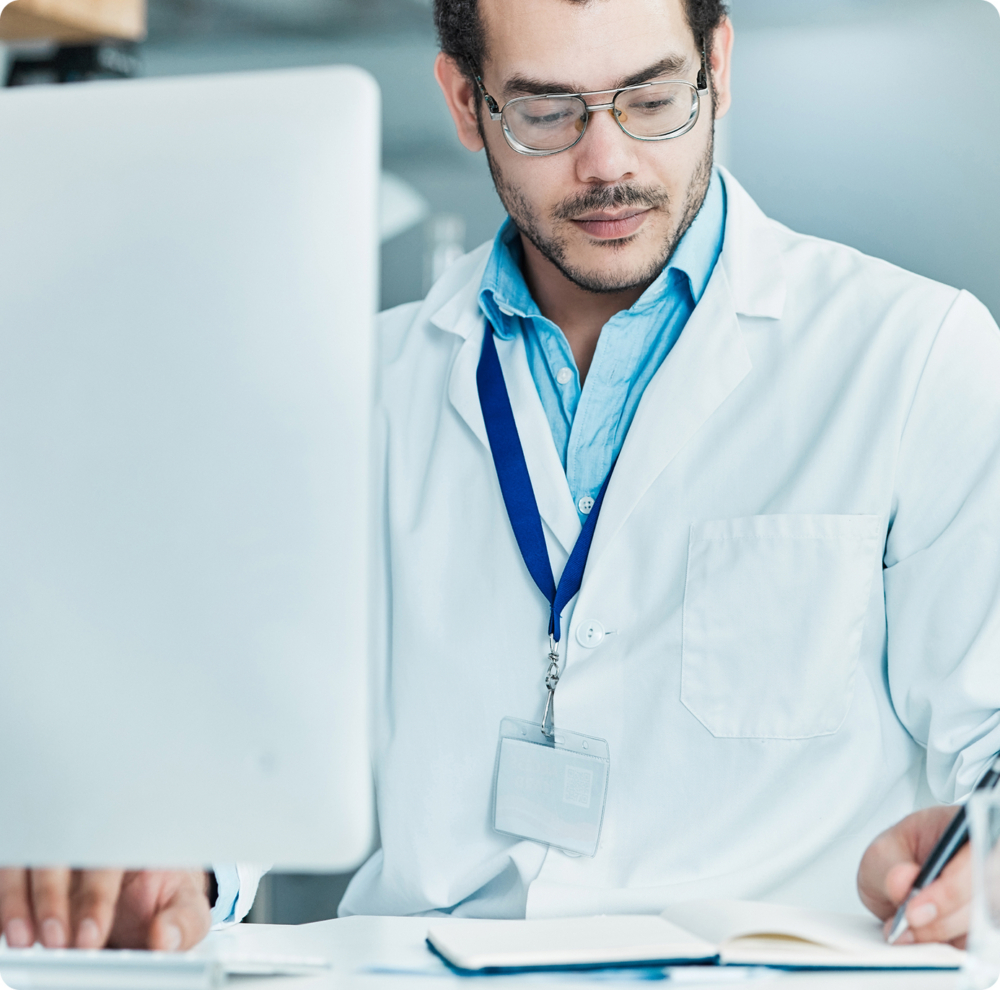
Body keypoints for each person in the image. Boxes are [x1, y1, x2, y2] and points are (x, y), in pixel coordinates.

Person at [2, 0, 998, 954]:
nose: (606, 162)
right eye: (543, 111)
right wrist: (182, 866)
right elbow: (247, 738)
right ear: (463, 101)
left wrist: (980, 858)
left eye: (650, 101)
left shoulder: (913, 358)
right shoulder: (359, 389)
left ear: (719, 68)